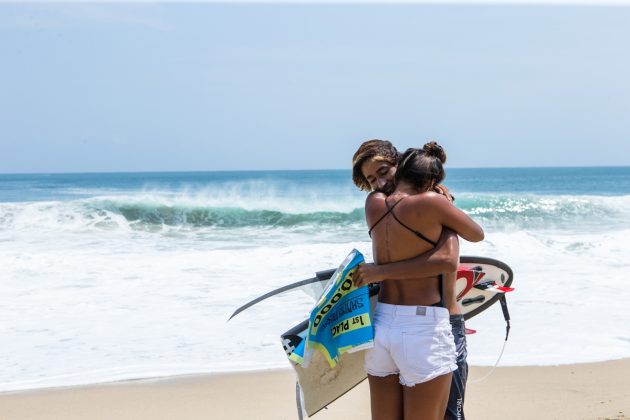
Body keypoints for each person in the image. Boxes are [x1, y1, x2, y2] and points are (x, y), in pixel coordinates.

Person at [352, 140, 483, 420]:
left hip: (383, 326)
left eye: (384, 172)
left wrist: (380, 271)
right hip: (425, 327)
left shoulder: (374, 205)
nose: (380, 182)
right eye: (372, 179)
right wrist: (445, 209)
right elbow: (461, 247)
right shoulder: (432, 202)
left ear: (401, 165)